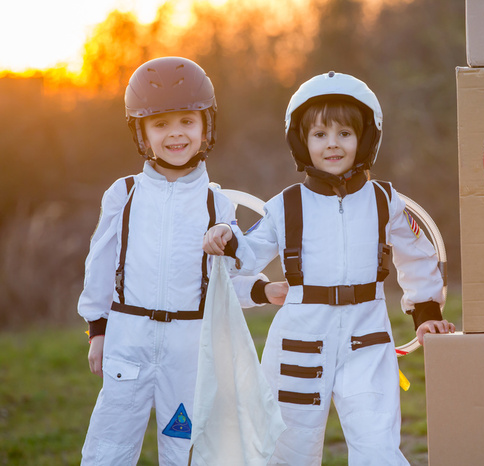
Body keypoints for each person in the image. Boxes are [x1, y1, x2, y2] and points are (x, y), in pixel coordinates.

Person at [203, 71, 456, 465]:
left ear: (366, 139)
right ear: (301, 142)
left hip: (367, 338)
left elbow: (417, 255)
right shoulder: (285, 206)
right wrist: (226, 234)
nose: (332, 144)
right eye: (320, 135)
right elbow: (247, 253)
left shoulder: (385, 201)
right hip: (300, 340)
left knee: (377, 447)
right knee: (287, 449)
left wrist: (426, 312)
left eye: (344, 134)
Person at [77, 56, 267, 465]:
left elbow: (235, 274)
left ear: (206, 126)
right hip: (129, 340)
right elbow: (101, 264)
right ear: (141, 133)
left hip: (188, 346)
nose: (175, 134)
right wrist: (98, 328)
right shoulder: (124, 194)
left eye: (186, 121)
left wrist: (250, 268)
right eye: (160, 124)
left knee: (182, 447)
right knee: (108, 446)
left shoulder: (217, 201)